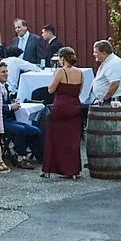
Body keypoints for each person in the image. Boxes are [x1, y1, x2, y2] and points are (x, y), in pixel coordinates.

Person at [42, 46, 88, 179]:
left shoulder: (60, 72)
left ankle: (49, 169)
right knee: (72, 140)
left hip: (61, 107)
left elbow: (51, 90)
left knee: (54, 138)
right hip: (75, 107)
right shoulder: (80, 72)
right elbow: (79, 92)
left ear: (62, 59)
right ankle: (72, 170)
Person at [91, 39, 121, 105]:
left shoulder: (114, 63)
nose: (94, 54)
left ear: (104, 53)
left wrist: (103, 99)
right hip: (106, 100)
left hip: (112, 102)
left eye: (96, 52)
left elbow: (114, 84)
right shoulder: (107, 62)